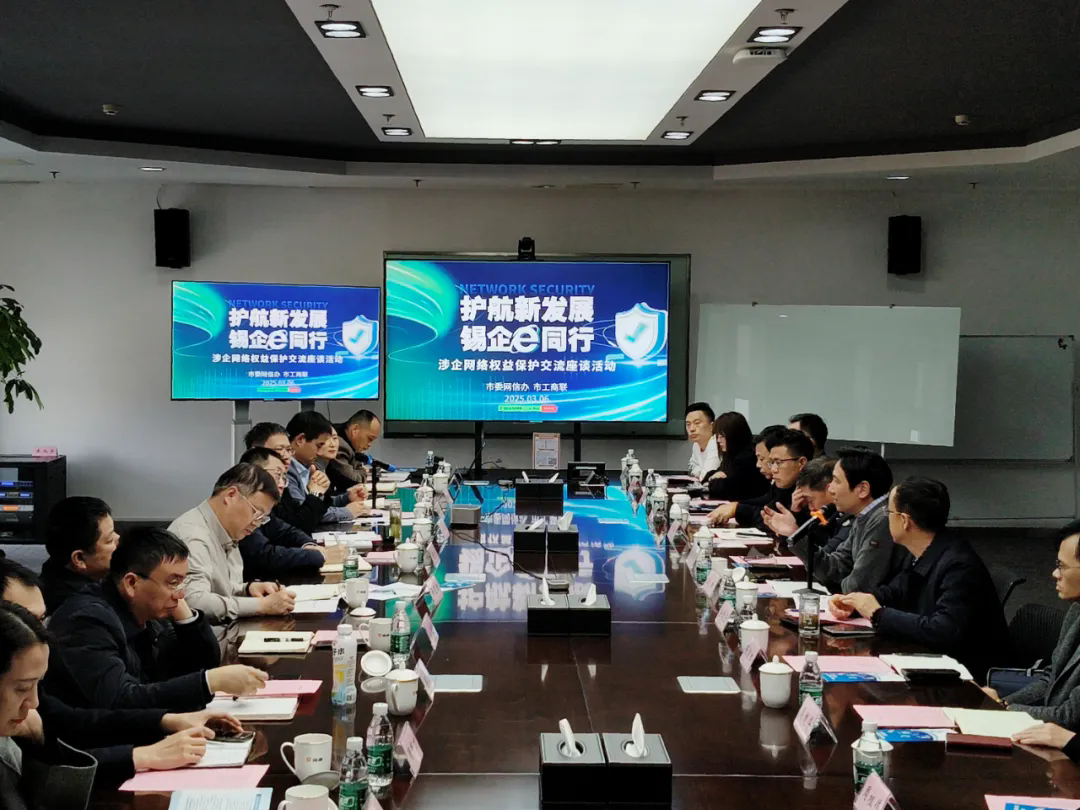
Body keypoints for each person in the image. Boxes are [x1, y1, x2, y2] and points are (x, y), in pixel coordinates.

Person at [0, 567, 244, 790]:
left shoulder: (30, 664)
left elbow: (72, 720)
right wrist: (143, 756)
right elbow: (116, 701)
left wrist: (168, 721)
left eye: (40, 620)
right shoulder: (85, 621)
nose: (40, 632)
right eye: (25, 619)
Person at [46, 527, 267, 711]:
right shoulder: (86, 621)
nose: (180, 593)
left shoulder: (150, 610)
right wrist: (209, 682)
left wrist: (183, 613)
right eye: (173, 582)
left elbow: (203, 663)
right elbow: (121, 699)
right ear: (131, 583)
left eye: (182, 582)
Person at [829, 477, 1008, 684]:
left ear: (905, 521)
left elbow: (943, 631)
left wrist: (878, 614)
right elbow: (897, 590)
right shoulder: (923, 549)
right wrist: (856, 603)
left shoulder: (958, 565)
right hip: (929, 661)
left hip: (966, 678)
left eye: (889, 512)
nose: (886, 518)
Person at [168, 463, 296, 625]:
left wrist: (247, 589)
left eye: (263, 518)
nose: (257, 523)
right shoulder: (193, 536)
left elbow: (220, 589)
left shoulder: (228, 530)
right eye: (256, 513)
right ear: (231, 495)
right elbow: (193, 601)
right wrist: (261, 605)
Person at [984, 520, 1080, 724]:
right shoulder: (1076, 610)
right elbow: (1051, 678)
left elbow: (1070, 717)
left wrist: (1003, 711)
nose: (1055, 574)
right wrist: (1003, 704)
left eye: (1062, 566)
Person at [786, 447, 907, 593]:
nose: (830, 490)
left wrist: (835, 590)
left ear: (863, 489)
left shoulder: (883, 519)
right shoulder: (863, 516)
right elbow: (833, 568)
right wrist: (799, 540)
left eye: (836, 481)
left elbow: (859, 586)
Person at [238, 447, 347, 578]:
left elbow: (288, 531)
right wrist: (320, 555)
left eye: (284, 477)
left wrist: (310, 546)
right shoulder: (243, 506)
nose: (281, 484)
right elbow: (263, 555)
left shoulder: (272, 503)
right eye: (277, 475)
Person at [707, 428, 812, 530]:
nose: (774, 469)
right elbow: (768, 511)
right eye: (772, 462)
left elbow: (772, 520)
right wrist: (737, 507)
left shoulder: (812, 491)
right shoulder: (784, 486)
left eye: (778, 462)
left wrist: (738, 509)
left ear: (801, 463)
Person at [246, 421, 330, 535]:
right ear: (257, 451)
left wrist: (319, 490)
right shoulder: (251, 487)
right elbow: (300, 526)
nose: (286, 456)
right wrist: (314, 494)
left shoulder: (281, 482)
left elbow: (294, 525)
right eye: (279, 450)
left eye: (289, 450)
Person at [39, 496, 118, 615]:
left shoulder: (52, 573)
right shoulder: (86, 611)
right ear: (79, 559)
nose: (118, 538)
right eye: (109, 540)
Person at [285, 411, 366, 524]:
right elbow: (306, 513)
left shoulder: (306, 466)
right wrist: (347, 512)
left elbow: (319, 506)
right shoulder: (287, 471)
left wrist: (346, 498)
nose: (320, 452)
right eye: (319, 445)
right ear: (300, 440)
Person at [764, 457, 853, 554]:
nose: (810, 508)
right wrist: (796, 514)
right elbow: (786, 552)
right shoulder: (818, 516)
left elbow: (822, 557)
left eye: (810, 500)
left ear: (830, 489)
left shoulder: (848, 519)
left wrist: (794, 532)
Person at [706, 412, 770, 501]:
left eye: (722, 436)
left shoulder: (747, 458)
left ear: (734, 435)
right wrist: (713, 477)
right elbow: (715, 474)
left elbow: (725, 489)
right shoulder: (731, 454)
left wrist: (712, 480)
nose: (718, 440)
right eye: (717, 436)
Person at [336, 409, 385, 482]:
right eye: (370, 439)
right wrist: (363, 471)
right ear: (355, 429)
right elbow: (351, 481)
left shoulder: (351, 446)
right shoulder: (340, 444)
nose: (370, 444)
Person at [685, 403, 719, 480]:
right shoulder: (696, 444)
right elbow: (691, 467)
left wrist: (699, 472)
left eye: (697, 423)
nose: (691, 429)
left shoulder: (717, 444)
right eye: (688, 424)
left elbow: (706, 477)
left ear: (712, 426)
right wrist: (700, 471)